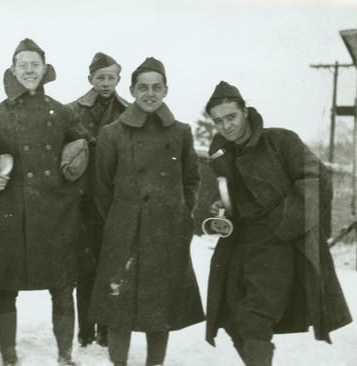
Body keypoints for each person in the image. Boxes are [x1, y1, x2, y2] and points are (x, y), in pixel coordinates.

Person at [0, 38, 93, 366]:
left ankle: (65, 357)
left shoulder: (62, 112)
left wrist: (75, 178)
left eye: (35, 65)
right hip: (7, 215)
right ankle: (9, 358)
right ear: (13, 71)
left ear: (45, 70)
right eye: (23, 65)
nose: (30, 71)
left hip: (56, 214)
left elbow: (88, 148)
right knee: (4, 288)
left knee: (63, 287)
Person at [204, 81, 352, 366]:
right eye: (218, 121)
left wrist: (279, 222)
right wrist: (222, 204)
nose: (226, 126)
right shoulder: (222, 155)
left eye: (231, 117)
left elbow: (318, 182)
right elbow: (230, 195)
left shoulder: (280, 141)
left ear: (245, 111)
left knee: (254, 317)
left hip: (279, 243)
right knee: (231, 317)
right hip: (239, 243)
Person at [90, 57, 204, 366]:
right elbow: (101, 187)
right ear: (132, 90)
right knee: (119, 307)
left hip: (166, 231)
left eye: (156, 87)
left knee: (160, 307)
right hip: (124, 229)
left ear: (166, 90)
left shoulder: (181, 132)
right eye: (143, 87)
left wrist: (179, 212)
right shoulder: (112, 133)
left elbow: (192, 179)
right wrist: (122, 216)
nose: (149, 94)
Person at [67, 52, 129, 348]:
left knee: (112, 267)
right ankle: (85, 330)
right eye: (100, 77)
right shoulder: (72, 110)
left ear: (119, 79)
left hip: (116, 201)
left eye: (111, 77)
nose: (105, 83)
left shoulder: (129, 112)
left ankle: (106, 329)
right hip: (82, 202)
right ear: (90, 78)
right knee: (85, 268)